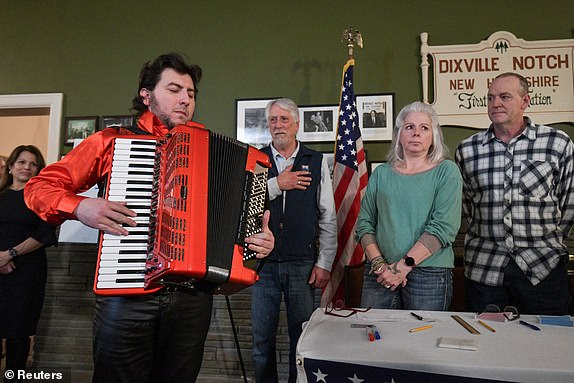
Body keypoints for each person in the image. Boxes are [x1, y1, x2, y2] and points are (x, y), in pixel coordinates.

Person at [24, 53, 275, 383]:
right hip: (127, 297)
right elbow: (39, 187)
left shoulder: (214, 149)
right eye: (174, 89)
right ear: (146, 95)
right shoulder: (113, 141)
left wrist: (260, 245)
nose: (185, 99)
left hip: (192, 299)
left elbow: (246, 227)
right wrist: (81, 207)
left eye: (191, 92)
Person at [455, 72, 574, 315]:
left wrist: (545, 240)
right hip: (484, 270)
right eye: (490, 98)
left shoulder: (557, 143)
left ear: (525, 101)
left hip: (544, 268)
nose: (495, 103)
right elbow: (467, 207)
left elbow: (569, 203)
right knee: (487, 344)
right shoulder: (467, 150)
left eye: (505, 96)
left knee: (550, 344)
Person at [251, 98, 337, 383]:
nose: (278, 125)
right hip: (261, 268)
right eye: (273, 120)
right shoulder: (256, 159)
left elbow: (327, 216)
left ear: (297, 124)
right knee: (262, 343)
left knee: (300, 342)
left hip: (302, 264)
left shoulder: (314, 161)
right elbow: (243, 201)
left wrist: (324, 263)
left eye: (284, 119)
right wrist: (278, 184)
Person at [356, 101, 462, 310]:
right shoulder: (381, 174)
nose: (416, 133)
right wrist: (380, 265)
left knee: (422, 340)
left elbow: (444, 227)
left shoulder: (446, 171)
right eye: (409, 127)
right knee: (374, 338)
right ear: (399, 135)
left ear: (434, 136)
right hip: (380, 272)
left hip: (429, 274)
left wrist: (403, 267)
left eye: (424, 128)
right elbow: (364, 224)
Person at [0, 145, 57, 381]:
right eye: (22, 162)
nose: (27, 167)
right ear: (11, 166)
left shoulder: (42, 199)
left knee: (19, 333)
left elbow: (45, 234)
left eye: (33, 164)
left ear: (38, 170)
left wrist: (9, 254)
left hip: (27, 272)